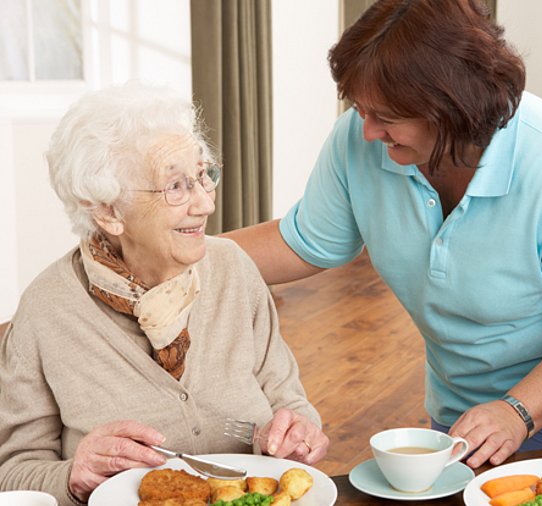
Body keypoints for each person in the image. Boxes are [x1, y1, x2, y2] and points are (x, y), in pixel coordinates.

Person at [226, 0, 542, 469]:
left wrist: (518, 412)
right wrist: (174, 252)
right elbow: (303, 242)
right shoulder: (360, 139)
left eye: (386, 115)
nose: (367, 130)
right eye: (358, 108)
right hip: (463, 407)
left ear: (453, 107)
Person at [0, 82, 328, 505]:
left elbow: (289, 401)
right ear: (107, 210)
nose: (205, 203)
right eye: (175, 186)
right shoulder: (46, 310)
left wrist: (298, 432)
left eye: (203, 175)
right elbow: (12, 472)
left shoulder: (232, 269)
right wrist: (72, 476)